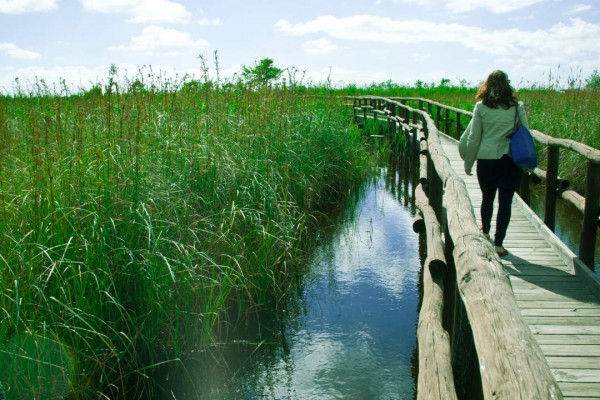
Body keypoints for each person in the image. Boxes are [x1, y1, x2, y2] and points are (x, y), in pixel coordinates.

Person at [463, 70, 529, 256]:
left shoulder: (481, 107)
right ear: (507, 85)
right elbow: (525, 132)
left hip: (487, 160)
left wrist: (468, 162)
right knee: (505, 202)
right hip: (510, 161)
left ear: (487, 84)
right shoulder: (517, 106)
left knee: (487, 197)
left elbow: (474, 138)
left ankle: (485, 233)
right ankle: (499, 244)